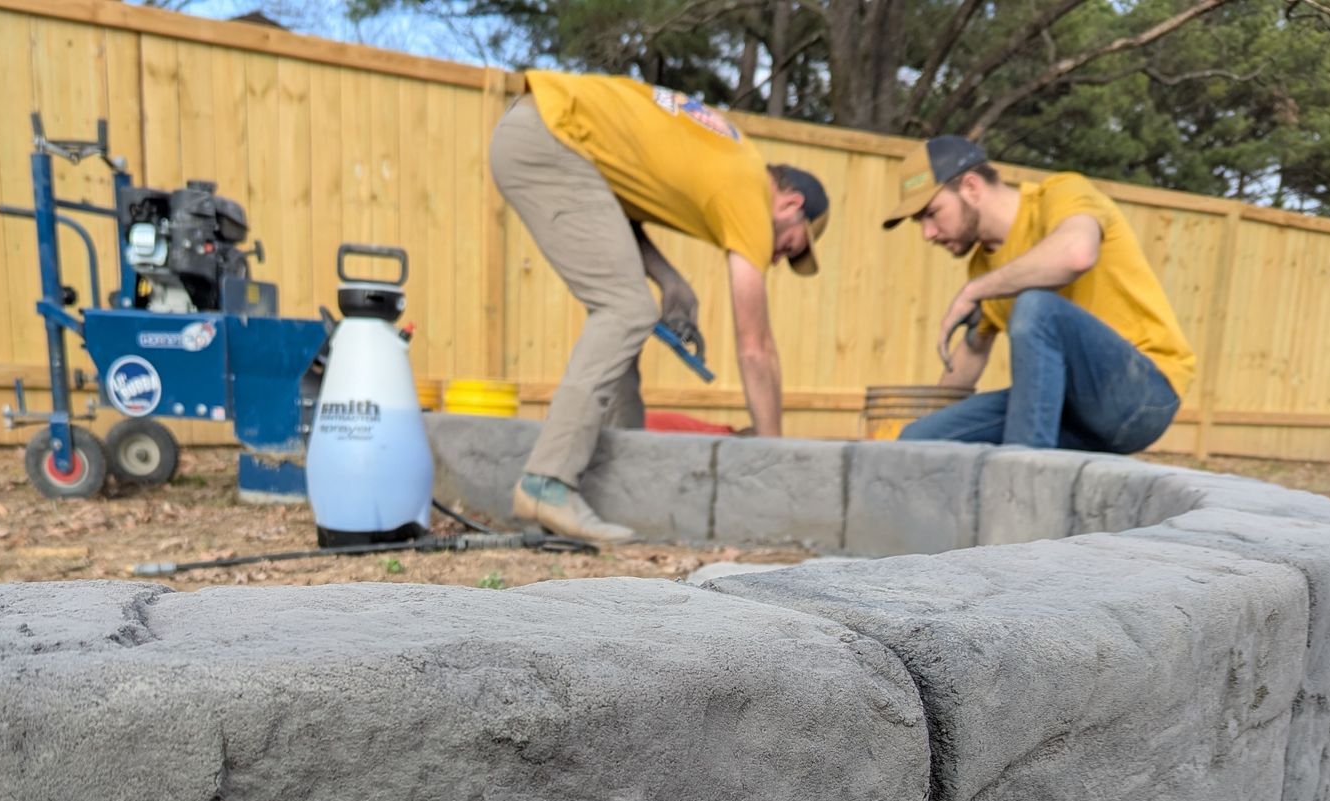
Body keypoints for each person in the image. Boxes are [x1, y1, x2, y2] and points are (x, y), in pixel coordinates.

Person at [490, 71, 830, 542]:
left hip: (550, 133)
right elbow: (756, 348)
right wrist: (773, 459)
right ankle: (546, 482)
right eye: (790, 246)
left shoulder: (727, 157)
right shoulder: (751, 191)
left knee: (629, 312)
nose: (777, 259)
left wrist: (671, 281)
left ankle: (622, 482)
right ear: (791, 204)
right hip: (550, 139)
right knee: (626, 310)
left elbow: (612, 200)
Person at [882, 136, 1195, 454]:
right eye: (919, 222)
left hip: (1142, 394)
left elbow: (1076, 254)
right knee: (920, 440)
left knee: (1036, 309)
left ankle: (1025, 474)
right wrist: (930, 426)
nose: (928, 233)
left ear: (971, 187)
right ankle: (1016, 463)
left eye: (932, 213)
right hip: (1068, 409)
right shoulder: (983, 267)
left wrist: (974, 291)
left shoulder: (1062, 193)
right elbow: (973, 352)